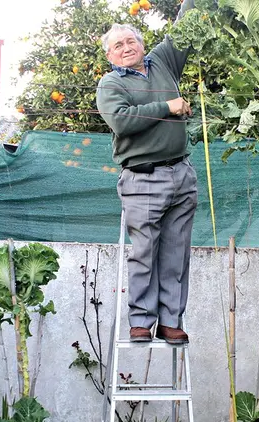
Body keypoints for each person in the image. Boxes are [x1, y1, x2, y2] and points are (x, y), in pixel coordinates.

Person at [96, 0, 197, 345]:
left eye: (131, 41)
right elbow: (123, 121)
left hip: (181, 173)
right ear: (110, 56)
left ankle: (170, 321)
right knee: (144, 253)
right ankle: (140, 320)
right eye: (118, 45)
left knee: (176, 253)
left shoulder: (163, 61)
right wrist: (167, 107)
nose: (127, 48)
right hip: (143, 178)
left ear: (141, 44)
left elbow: (185, 27)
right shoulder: (110, 84)